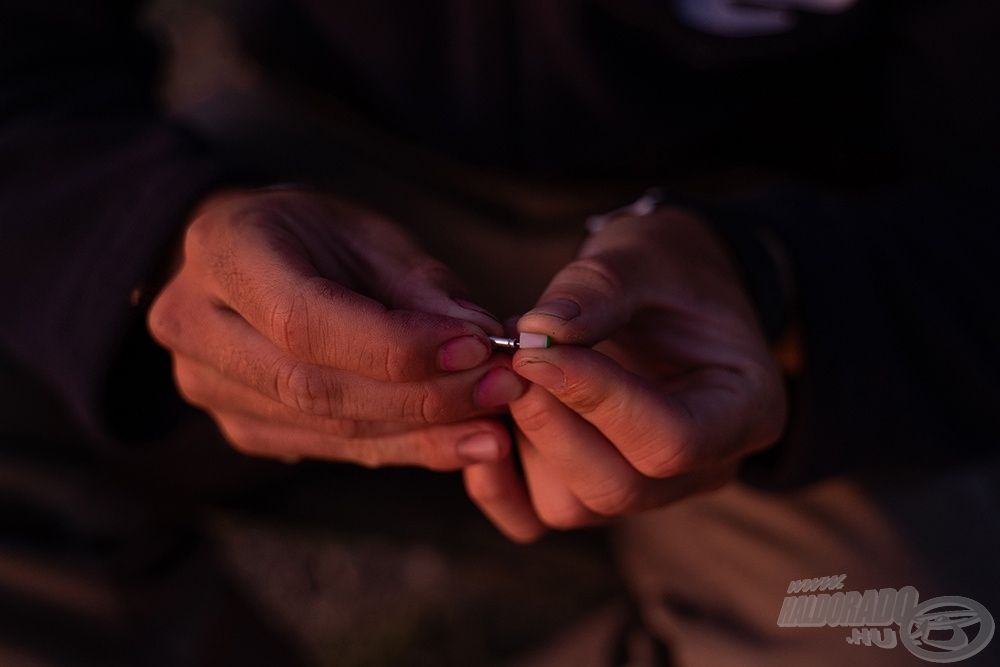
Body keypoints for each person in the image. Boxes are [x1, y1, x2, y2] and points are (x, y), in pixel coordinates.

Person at [2, 1, 998, 665]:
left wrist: (781, 291)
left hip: (837, 253)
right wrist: (141, 249)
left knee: (900, 631)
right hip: (338, 170)